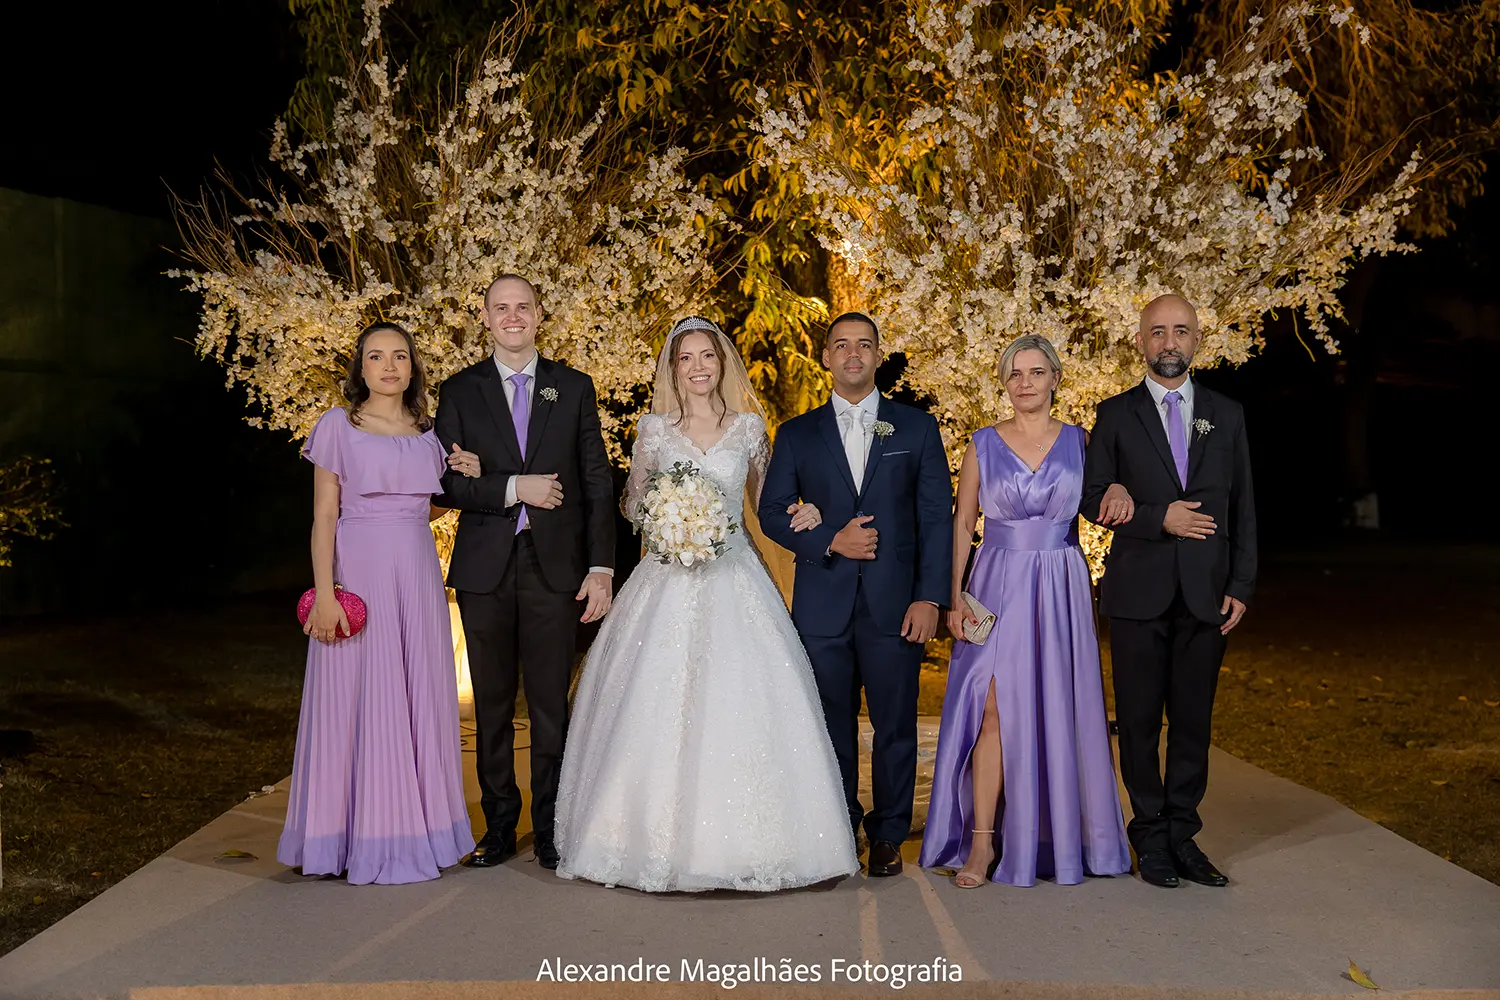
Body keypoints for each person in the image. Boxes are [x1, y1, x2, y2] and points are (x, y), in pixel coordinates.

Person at [553, 316, 859, 892]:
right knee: (654, 702)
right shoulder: (653, 431)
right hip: (666, 577)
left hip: (734, 575)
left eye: (707, 356)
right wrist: (672, 518)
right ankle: (639, 841)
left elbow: (770, 503)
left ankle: (756, 844)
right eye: (686, 358)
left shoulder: (748, 430)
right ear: (673, 369)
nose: (698, 367)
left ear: (722, 364)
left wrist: (806, 511)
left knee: (744, 700)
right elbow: (634, 503)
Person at [920, 335, 1132, 888]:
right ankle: (982, 845)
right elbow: (963, 523)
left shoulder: (1083, 442)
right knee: (990, 709)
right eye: (1015, 374)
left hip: (1060, 585)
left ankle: (1059, 838)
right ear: (1004, 382)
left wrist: (1122, 489)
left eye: (1036, 372)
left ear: (1055, 378)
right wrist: (954, 594)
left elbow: (1107, 495)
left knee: (1057, 708)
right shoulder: (982, 444)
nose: (1025, 383)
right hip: (995, 584)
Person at [278, 321, 476, 885]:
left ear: (413, 368)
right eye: (376, 356)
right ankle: (348, 838)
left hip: (417, 574)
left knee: (419, 695)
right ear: (360, 368)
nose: (389, 366)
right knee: (358, 697)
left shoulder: (430, 435)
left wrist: (464, 478)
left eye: (400, 356)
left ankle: (421, 832)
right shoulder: (338, 426)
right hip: (359, 573)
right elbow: (324, 516)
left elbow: (426, 506)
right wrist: (325, 594)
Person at [757, 313, 953, 877]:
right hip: (823, 606)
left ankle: (889, 834)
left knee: (895, 726)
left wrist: (929, 598)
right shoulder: (797, 433)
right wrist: (829, 540)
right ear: (826, 357)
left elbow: (936, 518)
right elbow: (772, 511)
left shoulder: (916, 428)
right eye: (841, 345)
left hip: (897, 606)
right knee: (830, 725)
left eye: (864, 345)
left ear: (877, 355)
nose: (852, 354)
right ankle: (840, 829)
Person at [433, 274, 617, 871]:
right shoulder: (459, 391)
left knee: (549, 706)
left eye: (523, 307)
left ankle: (551, 826)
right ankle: (498, 826)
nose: (512, 316)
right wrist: (515, 487)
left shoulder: (573, 386)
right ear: (485, 317)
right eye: (501, 307)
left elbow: (596, 481)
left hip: (555, 568)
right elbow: (446, 485)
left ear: (539, 314)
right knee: (489, 704)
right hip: (483, 570)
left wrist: (601, 566)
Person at [1082, 294, 1257, 889]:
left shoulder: (1227, 414)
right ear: (1140, 342)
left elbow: (1243, 505)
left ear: (1198, 339)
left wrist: (1242, 583)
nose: (1169, 342)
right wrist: (1160, 518)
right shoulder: (1115, 414)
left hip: (1207, 593)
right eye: (1157, 332)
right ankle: (1150, 836)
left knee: (1192, 722)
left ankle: (1184, 834)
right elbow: (1092, 498)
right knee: (1137, 722)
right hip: (1138, 593)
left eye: (1180, 331)